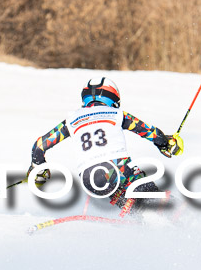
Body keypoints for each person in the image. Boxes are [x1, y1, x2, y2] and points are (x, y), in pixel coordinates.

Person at [27, 76, 183, 214]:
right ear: (113, 98)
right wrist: (166, 143)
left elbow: (39, 146)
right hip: (117, 167)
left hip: (89, 178)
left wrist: (38, 170)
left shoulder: (71, 120)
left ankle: (142, 215)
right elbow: (149, 132)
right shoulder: (116, 114)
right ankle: (171, 211)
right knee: (142, 186)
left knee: (125, 198)